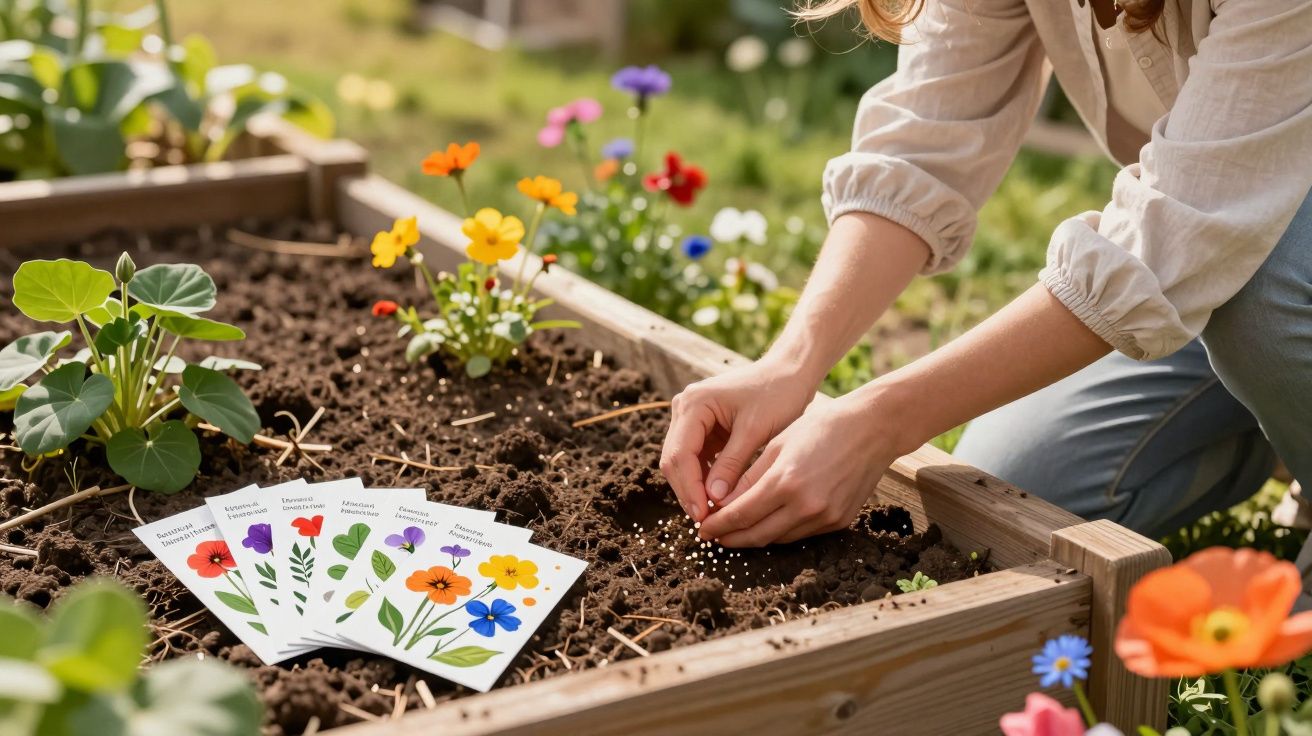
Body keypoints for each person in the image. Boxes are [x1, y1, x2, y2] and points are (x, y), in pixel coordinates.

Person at [660, 0, 1312, 548]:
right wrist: (790, 364)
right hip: (1206, 258)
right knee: (1015, 485)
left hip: (1266, 268)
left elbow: (1173, 234)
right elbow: (925, 140)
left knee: (1264, 290)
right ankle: (1272, 418)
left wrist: (877, 421)